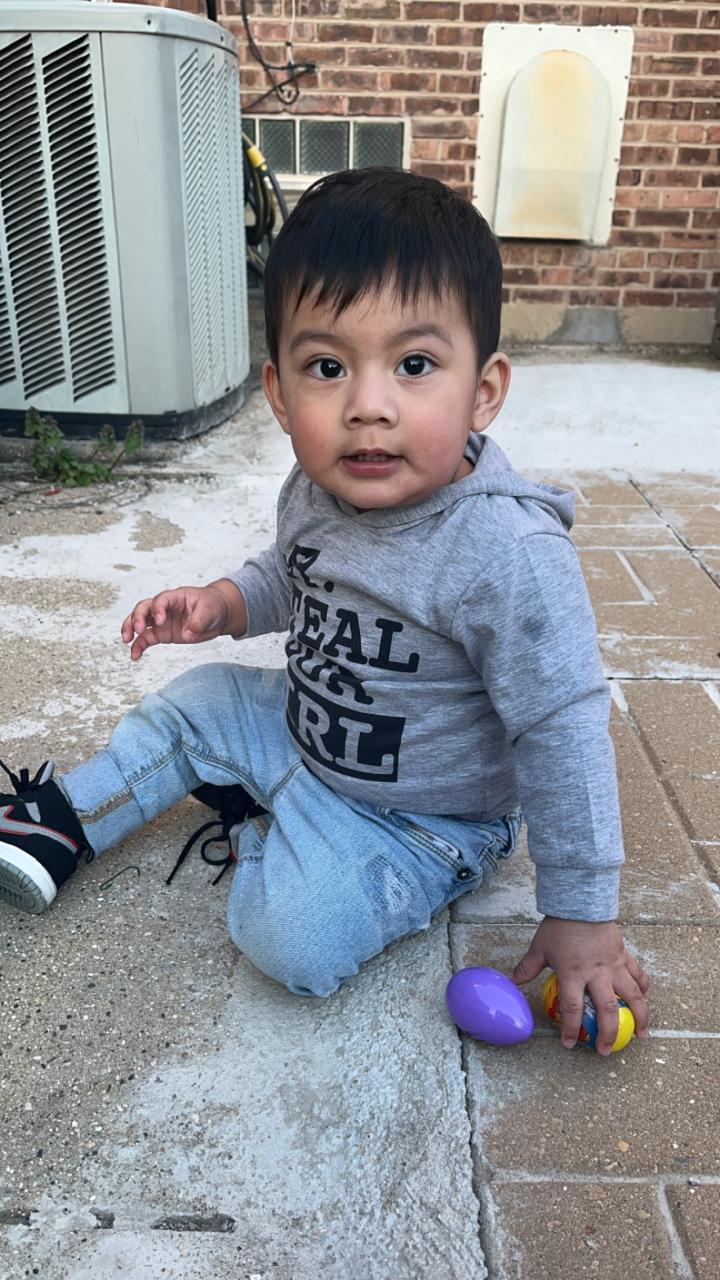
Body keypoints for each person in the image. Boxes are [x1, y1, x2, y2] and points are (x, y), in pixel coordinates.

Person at [0, 167, 649, 1054]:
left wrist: (582, 913)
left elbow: (562, 729)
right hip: (307, 725)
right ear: (278, 392)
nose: (367, 407)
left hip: (426, 816)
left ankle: (277, 833)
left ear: (484, 390)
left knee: (289, 940)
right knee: (194, 703)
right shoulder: (315, 489)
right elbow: (294, 572)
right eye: (328, 367)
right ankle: (64, 819)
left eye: (414, 365)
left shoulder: (506, 554)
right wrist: (224, 603)